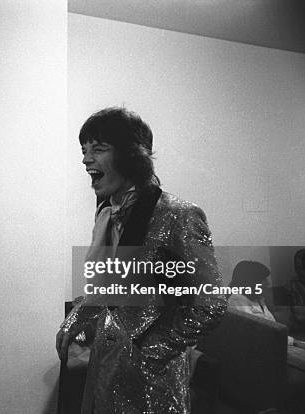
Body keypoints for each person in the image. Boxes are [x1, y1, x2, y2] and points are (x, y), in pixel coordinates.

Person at [56, 107, 227, 413]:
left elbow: (211, 303)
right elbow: (111, 286)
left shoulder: (178, 215)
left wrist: (150, 351)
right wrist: (77, 317)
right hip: (104, 367)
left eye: (98, 149)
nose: (85, 159)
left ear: (131, 156)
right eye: (84, 150)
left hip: (152, 380)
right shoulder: (106, 211)